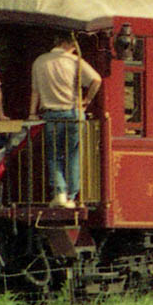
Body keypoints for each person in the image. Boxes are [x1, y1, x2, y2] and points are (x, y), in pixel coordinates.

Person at [29, 34, 102, 209]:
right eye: (73, 45)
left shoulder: (40, 61)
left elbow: (35, 91)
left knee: (54, 155)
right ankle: (71, 196)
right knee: (72, 155)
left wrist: (32, 113)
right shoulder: (75, 61)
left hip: (51, 114)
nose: (75, 48)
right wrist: (86, 101)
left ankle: (59, 192)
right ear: (66, 43)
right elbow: (96, 80)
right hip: (73, 113)